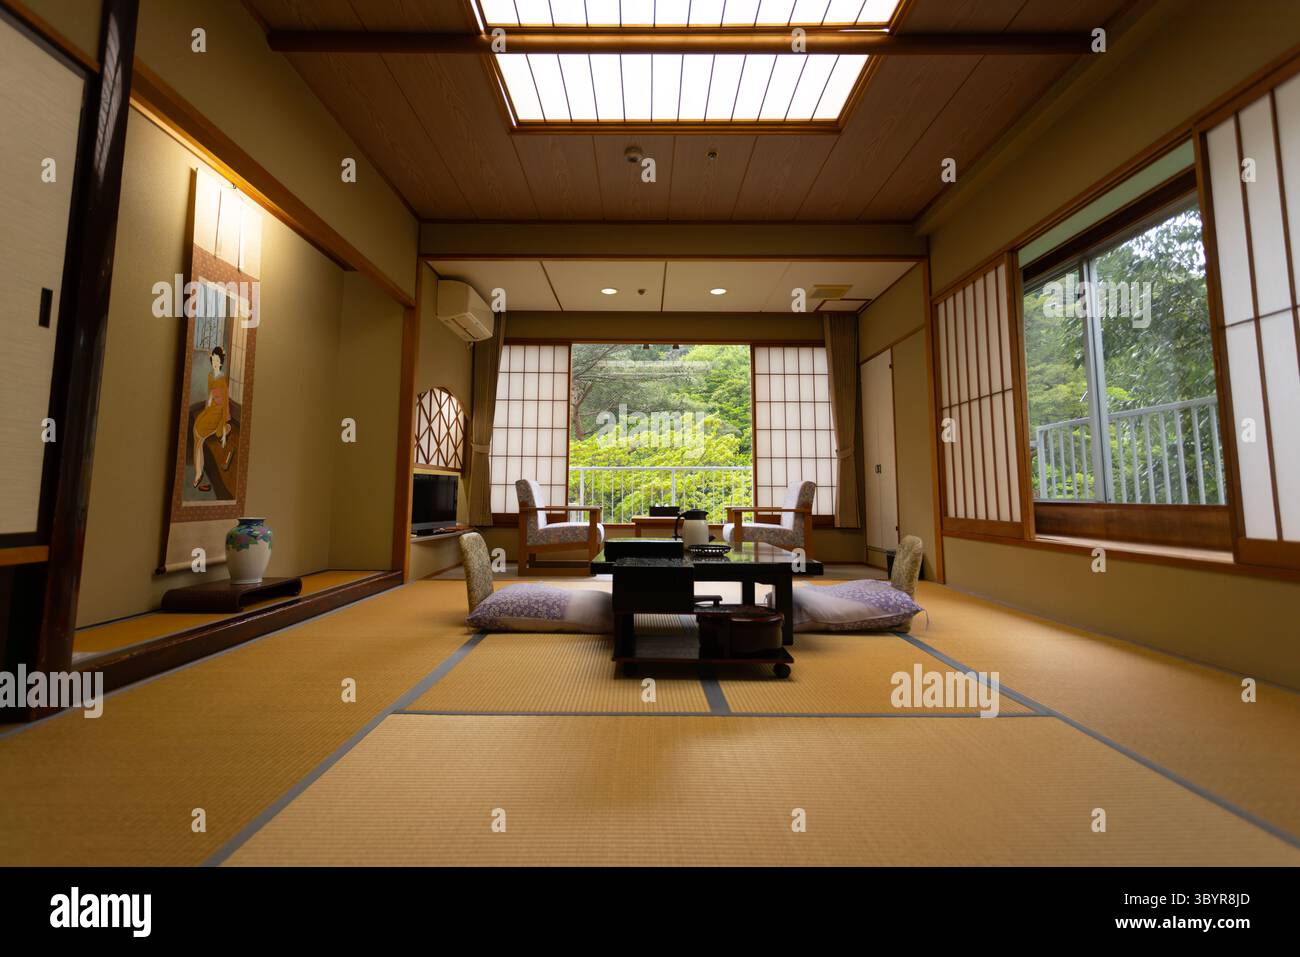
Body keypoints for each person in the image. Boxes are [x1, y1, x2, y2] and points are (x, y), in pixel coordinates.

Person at [192, 346, 232, 492]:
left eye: (217, 360)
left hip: (218, 413)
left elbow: (225, 403)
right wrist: (208, 403)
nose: (215, 363)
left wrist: (224, 422)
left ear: (221, 362)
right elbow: (210, 395)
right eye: (213, 360)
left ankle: (198, 472)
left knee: (198, 434)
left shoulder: (222, 380)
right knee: (197, 434)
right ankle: (199, 471)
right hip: (210, 410)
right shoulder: (210, 375)